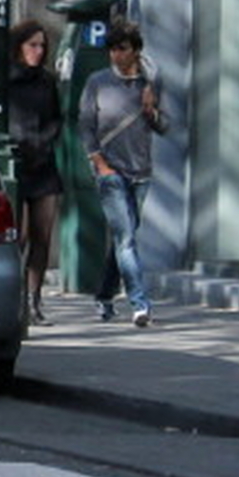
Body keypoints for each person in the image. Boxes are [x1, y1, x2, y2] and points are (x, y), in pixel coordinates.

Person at [78, 17, 171, 327]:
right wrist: (100, 164)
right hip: (110, 172)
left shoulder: (150, 83)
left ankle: (104, 295)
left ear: (135, 50)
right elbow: (85, 126)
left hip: (140, 171)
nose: (116, 55)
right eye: (112, 49)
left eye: (122, 48)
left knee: (123, 238)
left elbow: (164, 126)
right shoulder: (98, 82)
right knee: (126, 239)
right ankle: (140, 304)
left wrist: (151, 111)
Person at [3, 18, 65, 325]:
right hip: (16, 166)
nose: (39, 51)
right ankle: (13, 300)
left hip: (43, 167)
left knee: (43, 235)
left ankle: (33, 300)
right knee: (20, 235)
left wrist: (46, 139)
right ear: (19, 47)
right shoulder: (2, 80)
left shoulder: (46, 81)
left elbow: (56, 118)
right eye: (33, 45)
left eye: (42, 46)